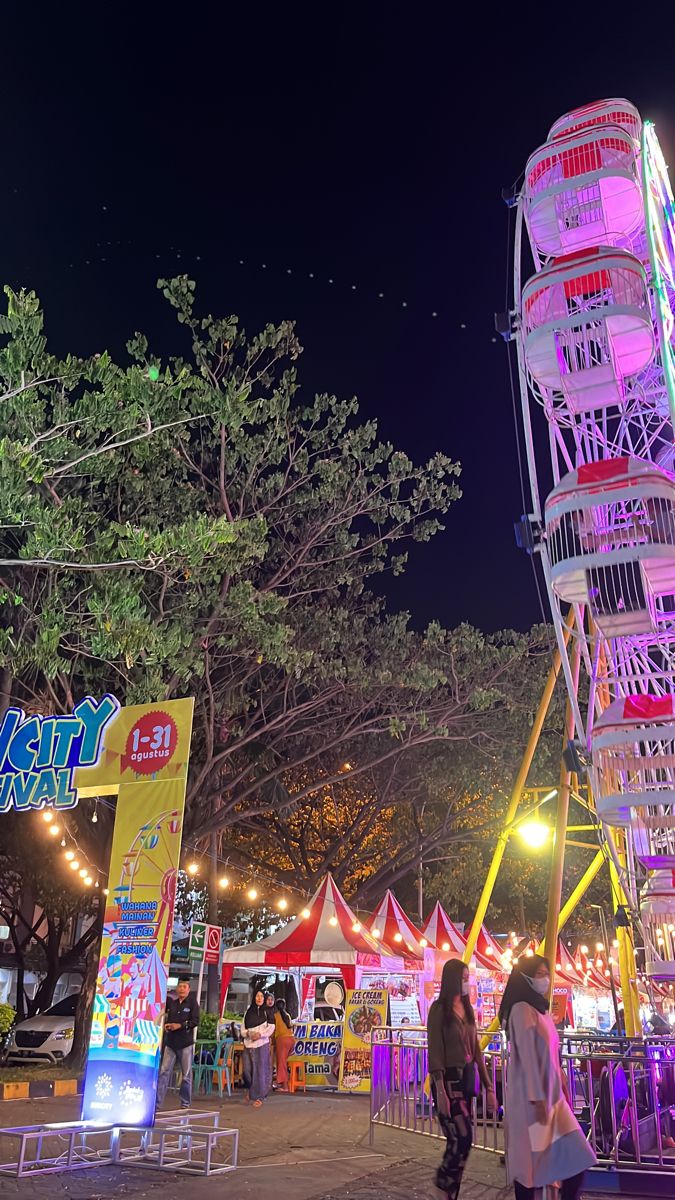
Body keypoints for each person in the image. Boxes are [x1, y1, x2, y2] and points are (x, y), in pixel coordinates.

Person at [499, 955, 596, 1200]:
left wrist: (561, 1076)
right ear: (526, 977)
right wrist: (538, 1099)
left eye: (546, 972)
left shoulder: (540, 1008)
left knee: (576, 1157)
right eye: (540, 973)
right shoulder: (521, 1009)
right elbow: (528, 1057)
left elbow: (550, 1050)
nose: (545, 978)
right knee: (531, 1169)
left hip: (553, 1099)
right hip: (536, 1103)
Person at [428, 960, 497, 1200]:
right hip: (447, 1081)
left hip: (467, 1080)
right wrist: (439, 1090)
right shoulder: (439, 1010)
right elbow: (435, 1050)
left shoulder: (467, 1010)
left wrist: (489, 1087)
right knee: (460, 1137)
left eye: (468, 977)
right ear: (452, 979)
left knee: (463, 1140)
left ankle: (449, 1189)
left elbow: (477, 1050)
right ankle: (442, 1183)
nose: (466, 982)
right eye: (463, 977)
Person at [156, 975, 200, 1110]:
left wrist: (180, 1026)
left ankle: (185, 1103)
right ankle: (157, 1104)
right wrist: (167, 1025)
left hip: (185, 1044)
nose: (181, 989)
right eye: (180, 986)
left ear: (188, 989)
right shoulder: (173, 1004)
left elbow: (195, 1021)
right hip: (171, 1043)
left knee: (186, 1075)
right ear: (176, 989)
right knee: (163, 1072)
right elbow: (166, 1018)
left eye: (184, 987)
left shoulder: (193, 1004)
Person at [243, 989, 275, 1108]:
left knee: (260, 1071)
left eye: (262, 996)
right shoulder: (248, 1012)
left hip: (261, 1044)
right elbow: (242, 1029)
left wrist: (260, 1035)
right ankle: (251, 1092)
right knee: (247, 1070)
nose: (259, 998)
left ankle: (259, 1096)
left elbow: (271, 1028)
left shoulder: (267, 1012)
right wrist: (249, 1034)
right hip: (248, 1044)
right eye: (257, 996)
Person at [274, 997, 295, 1091]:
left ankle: (285, 1086)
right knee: (283, 1063)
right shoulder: (287, 1015)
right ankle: (281, 1083)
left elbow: (274, 1031)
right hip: (291, 1040)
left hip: (282, 1040)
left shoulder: (276, 1016)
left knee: (281, 1063)